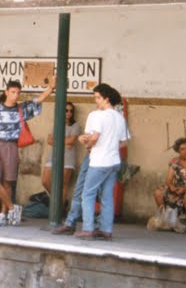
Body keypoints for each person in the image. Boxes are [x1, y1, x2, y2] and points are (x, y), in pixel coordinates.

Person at [0, 77, 55, 227]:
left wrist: (50, 88)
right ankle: (12, 208)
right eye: (12, 92)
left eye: (17, 93)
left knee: (7, 182)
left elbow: (38, 100)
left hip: (11, 146)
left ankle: (3, 214)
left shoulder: (21, 109)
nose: (15, 95)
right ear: (6, 92)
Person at [76, 83, 130, 240]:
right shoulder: (120, 118)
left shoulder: (100, 115)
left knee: (88, 194)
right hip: (114, 161)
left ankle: (87, 228)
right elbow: (123, 143)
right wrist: (109, 145)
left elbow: (94, 137)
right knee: (107, 196)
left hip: (99, 161)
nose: (96, 101)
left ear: (106, 99)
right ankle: (106, 229)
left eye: (98, 97)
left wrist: (88, 146)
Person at [152, 137, 186, 223]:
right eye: (182, 149)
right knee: (158, 192)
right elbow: (168, 179)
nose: (185, 151)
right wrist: (171, 186)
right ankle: (164, 218)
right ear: (178, 151)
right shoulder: (174, 162)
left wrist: (185, 188)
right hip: (177, 188)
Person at [43, 102, 81, 206]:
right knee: (45, 181)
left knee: (63, 185)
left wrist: (58, 140)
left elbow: (71, 141)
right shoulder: (57, 123)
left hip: (67, 158)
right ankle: (60, 201)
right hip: (53, 156)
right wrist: (65, 142)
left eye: (71, 111)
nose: (69, 113)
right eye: (66, 110)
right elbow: (49, 140)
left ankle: (60, 209)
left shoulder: (75, 125)